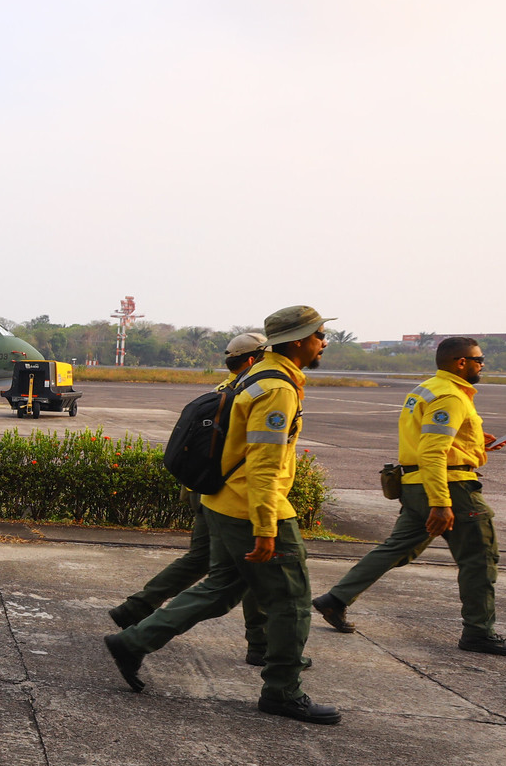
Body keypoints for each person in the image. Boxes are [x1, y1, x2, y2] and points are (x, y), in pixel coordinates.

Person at [103, 306, 341, 725]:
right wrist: (267, 527)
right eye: (321, 334)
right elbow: (265, 465)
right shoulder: (278, 389)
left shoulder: (252, 377)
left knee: (220, 589)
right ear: (301, 339)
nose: (324, 342)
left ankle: (134, 640)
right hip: (253, 509)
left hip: (223, 502)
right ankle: (283, 690)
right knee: (291, 601)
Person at [314, 337, 506, 656]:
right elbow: (432, 450)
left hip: (414, 485)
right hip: (448, 486)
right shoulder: (450, 395)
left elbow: (426, 440)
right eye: (479, 359)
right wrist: (441, 503)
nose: (482, 364)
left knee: (396, 548)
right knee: (480, 557)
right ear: (460, 363)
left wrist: (475, 446)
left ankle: (336, 599)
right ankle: (478, 632)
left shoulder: (426, 389)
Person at [106, 332, 273, 667]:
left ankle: (136, 608)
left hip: (204, 491)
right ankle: (261, 643)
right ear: (253, 360)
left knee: (200, 559)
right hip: (231, 496)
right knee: (257, 566)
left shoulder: (221, 391)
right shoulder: (251, 395)